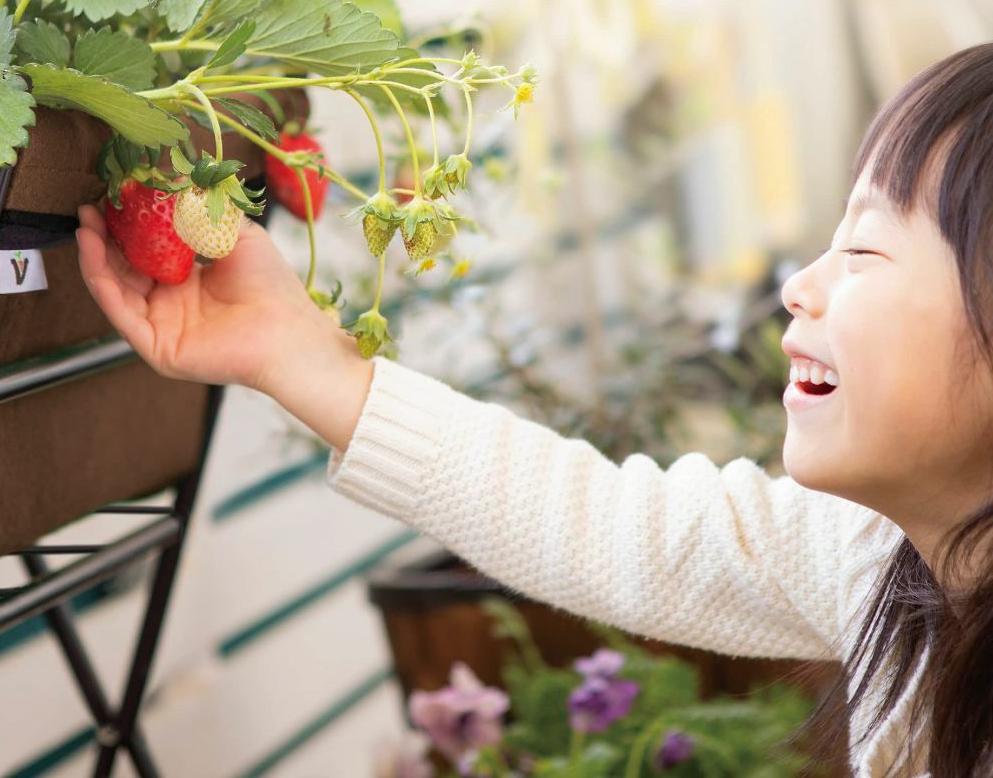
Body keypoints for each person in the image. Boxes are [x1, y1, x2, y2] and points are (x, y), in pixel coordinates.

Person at [74, 42, 993, 778]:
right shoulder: (880, 558)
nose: (799, 286)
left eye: (865, 252)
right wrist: (300, 356)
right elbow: (606, 525)